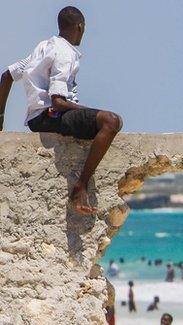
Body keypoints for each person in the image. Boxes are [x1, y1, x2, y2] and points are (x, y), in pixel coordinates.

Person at [0, 6, 123, 215]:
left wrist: (0, 117)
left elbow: (6, 76)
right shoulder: (65, 52)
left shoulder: (43, 46)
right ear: (80, 27)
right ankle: (80, 186)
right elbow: (57, 102)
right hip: (52, 115)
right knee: (111, 121)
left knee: (100, 118)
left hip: (35, 118)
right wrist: (88, 110)